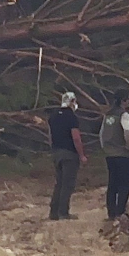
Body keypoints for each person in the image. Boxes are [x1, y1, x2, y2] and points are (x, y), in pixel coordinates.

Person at [48, 92, 88, 220]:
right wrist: (81, 155)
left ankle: (53, 212)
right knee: (67, 183)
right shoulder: (72, 117)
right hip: (69, 154)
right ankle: (63, 212)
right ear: (72, 101)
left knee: (58, 183)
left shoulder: (53, 116)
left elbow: (50, 136)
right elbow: (76, 138)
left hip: (56, 152)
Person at [100, 91, 129, 220]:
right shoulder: (124, 115)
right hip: (124, 154)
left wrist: (105, 148)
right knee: (124, 184)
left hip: (110, 154)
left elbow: (101, 134)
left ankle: (111, 212)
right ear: (123, 101)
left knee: (112, 183)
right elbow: (127, 131)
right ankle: (120, 211)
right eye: (128, 100)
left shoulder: (108, 115)